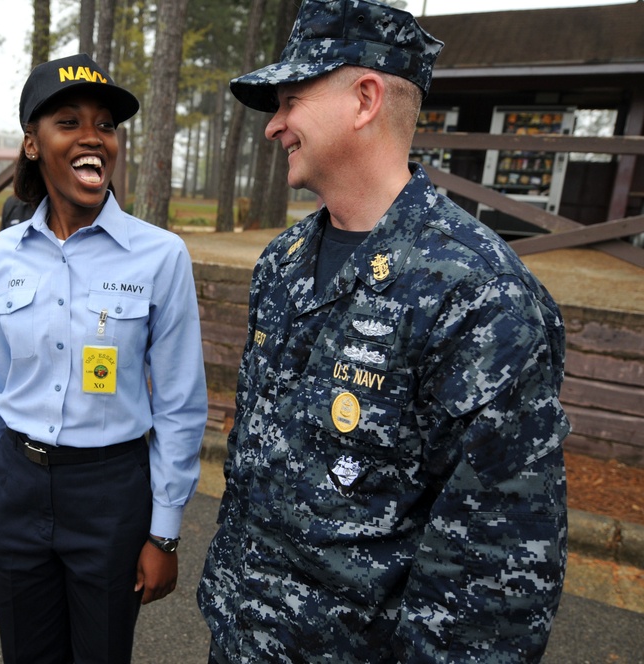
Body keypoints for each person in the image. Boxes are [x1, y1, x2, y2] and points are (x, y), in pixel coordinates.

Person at [196, 1, 570, 662]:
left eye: (290, 101)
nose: (273, 126)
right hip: (240, 639)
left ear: (365, 99)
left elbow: (491, 581)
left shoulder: (478, 293)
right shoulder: (282, 263)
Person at [0, 53, 208, 663]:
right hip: (19, 482)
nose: (93, 137)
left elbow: (180, 403)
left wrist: (164, 531)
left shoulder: (161, 256)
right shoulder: (5, 253)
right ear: (32, 143)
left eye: (106, 124)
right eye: (69, 122)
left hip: (109, 494)